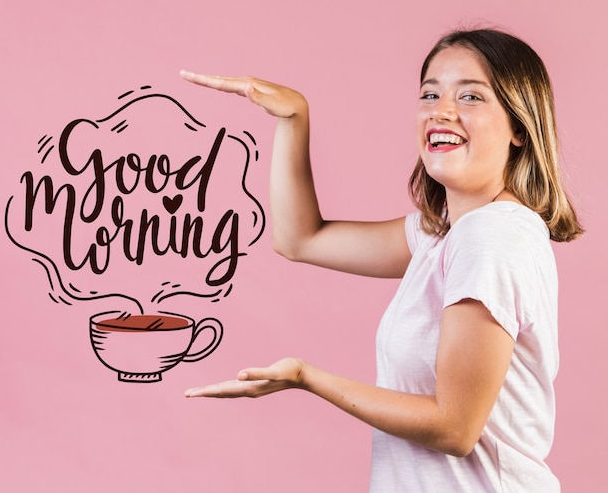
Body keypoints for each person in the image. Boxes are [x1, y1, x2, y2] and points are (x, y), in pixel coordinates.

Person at [180, 28, 583, 492]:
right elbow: (300, 240)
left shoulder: (488, 236)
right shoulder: (444, 235)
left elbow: (454, 427)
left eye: (471, 97)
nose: (441, 110)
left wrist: (306, 377)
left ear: (519, 127)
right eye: (429, 93)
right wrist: (294, 118)